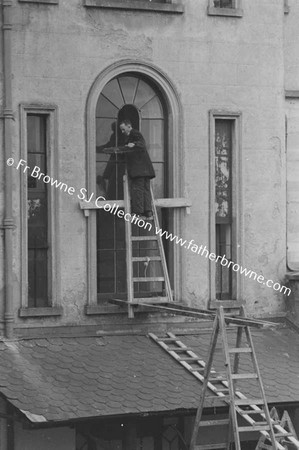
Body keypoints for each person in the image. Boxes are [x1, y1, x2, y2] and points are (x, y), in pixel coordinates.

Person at [119, 119, 155, 219]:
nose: (122, 132)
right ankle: (148, 213)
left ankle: (138, 213)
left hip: (139, 169)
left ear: (129, 126)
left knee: (137, 190)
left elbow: (142, 143)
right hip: (145, 169)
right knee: (145, 190)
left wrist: (134, 144)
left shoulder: (134, 133)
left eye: (123, 129)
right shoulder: (133, 135)